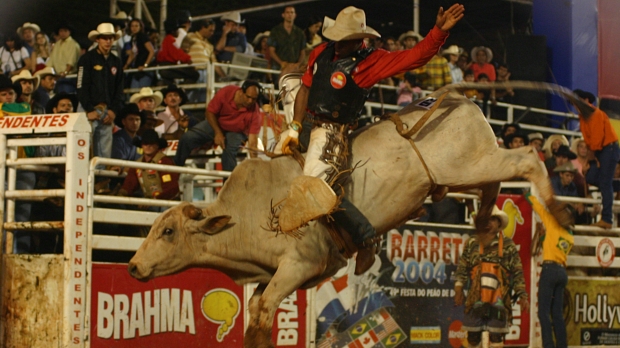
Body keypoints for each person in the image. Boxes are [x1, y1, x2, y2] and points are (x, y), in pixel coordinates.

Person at [277, 4, 465, 275]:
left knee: (319, 187)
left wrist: (438, 32)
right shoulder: (321, 51)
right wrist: (294, 127)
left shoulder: (371, 61)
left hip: (332, 132)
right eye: (336, 39)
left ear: (358, 41)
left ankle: (366, 238)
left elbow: (416, 57)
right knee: (277, 163)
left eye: (344, 41)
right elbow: (305, 87)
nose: (338, 45)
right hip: (306, 122)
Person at [454, 206, 529, 348]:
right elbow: (462, 267)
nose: (489, 222)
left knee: (496, 336)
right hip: (475, 298)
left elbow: (517, 271)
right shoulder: (472, 242)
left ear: (499, 223)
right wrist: (458, 288)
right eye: (486, 219)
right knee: (473, 337)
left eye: (493, 219)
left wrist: (522, 295)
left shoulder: (508, 245)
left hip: (499, 299)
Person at [174, 80, 261, 170]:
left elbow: (253, 141)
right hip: (217, 124)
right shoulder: (226, 92)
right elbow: (210, 112)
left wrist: (255, 164)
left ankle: (228, 183)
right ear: (241, 92)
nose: (250, 101)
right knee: (187, 138)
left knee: (229, 151)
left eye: (254, 99)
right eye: (248, 97)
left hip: (237, 132)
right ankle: (174, 171)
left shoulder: (255, 112)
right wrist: (217, 132)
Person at [525, 193, 573, 348]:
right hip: (562, 272)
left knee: (543, 312)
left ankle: (548, 345)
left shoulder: (552, 223)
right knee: (557, 313)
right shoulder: (569, 236)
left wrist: (527, 195)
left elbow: (538, 207)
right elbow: (551, 242)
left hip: (550, 270)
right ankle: (562, 345)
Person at [76, 23, 124, 164]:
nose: (108, 41)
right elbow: (81, 86)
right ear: (98, 39)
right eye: (105, 38)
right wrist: (89, 109)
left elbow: (119, 88)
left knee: (104, 151)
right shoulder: (87, 59)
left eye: (110, 38)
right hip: (88, 109)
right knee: (84, 148)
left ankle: (101, 181)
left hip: (106, 110)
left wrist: (113, 111)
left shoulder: (116, 61)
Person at [572, 89, 620, 229]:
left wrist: (588, 160)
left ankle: (607, 219)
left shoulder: (596, 114)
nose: (576, 105)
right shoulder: (583, 118)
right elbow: (590, 142)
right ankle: (614, 188)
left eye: (578, 101)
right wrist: (589, 161)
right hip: (600, 150)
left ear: (587, 101)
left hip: (608, 149)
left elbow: (596, 142)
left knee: (604, 183)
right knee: (592, 177)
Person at [117, 129, 180, 206]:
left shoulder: (165, 161)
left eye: (152, 143)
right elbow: (130, 183)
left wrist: (153, 201)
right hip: (150, 202)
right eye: (145, 143)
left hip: (166, 203)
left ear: (157, 145)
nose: (148, 146)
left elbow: (171, 189)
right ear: (141, 145)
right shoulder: (138, 164)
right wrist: (122, 193)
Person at [268, 6, 306, 72]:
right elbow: (271, 51)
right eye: (287, 12)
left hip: (294, 68)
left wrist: (298, 64)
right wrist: (281, 62)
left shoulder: (300, 33)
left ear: (295, 15)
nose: (290, 14)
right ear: (283, 15)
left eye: (292, 12)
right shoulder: (275, 31)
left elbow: (302, 52)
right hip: (278, 68)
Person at [46, 22, 81, 94]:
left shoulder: (73, 44)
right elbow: (51, 60)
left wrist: (65, 72)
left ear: (69, 32)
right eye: (61, 31)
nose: (63, 33)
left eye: (65, 31)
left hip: (69, 77)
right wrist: (47, 72)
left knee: (65, 96)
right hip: (57, 77)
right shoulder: (57, 44)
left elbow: (71, 62)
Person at [124, 18, 156, 88]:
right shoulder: (134, 38)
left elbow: (152, 51)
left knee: (141, 92)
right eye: (132, 26)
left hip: (145, 71)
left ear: (140, 27)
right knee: (134, 92)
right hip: (137, 70)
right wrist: (126, 66)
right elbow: (133, 54)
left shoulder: (143, 37)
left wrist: (145, 65)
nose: (134, 28)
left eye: (136, 26)